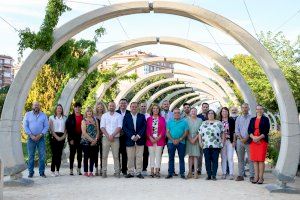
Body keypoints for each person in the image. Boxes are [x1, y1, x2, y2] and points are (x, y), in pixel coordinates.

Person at [23, 101, 49, 178]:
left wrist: (40, 135)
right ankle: (31, 172)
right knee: (31, 156)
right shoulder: (27, 115)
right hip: (31, 138)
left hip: (41, 138)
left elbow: (46, 126)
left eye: (37, 105)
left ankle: (42, 172)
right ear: (32, 106)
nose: (36, 106)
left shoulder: (43, 115)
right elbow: (25, 126)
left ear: (39, 106)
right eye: (35, 105)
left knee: (42, 156)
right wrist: (31, 135)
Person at [123, 102, 146, 179]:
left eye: (135, 107)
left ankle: (139, 172)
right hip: (130, 139)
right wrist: (132, 136)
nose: (134, 108)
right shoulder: (126, 116)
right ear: (130, 107)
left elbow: (144, 127)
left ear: (138, 108)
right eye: (132, 107)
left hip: (140, 139)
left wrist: (138, 135)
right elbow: (124, 127)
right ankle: (130, 172)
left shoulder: (142, 116)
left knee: (139, 156)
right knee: (130, 157)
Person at [199, 110, 223, 181]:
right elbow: (199, 133)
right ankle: (209, 175)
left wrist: (222, 142)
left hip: (216, 145)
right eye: (209, 113)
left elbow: (223, 133)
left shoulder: (219, 123)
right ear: (207, 115)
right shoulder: (203, 123)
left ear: (214, 114)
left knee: (215, 160)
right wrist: (200, 142)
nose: (210, 114)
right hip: (206, 145)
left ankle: (214, 175)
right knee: (207, 160)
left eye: (212, 113)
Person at [101, 101, 123, 178]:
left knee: (116, 156)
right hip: (105, 138)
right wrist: (108, 136)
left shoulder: (119, 116)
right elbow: (102, 127)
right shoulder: (104, 116)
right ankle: (104, 172)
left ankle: (117, 172)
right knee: (104, 156)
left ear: (115, 106)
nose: (111, 107)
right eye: (110, 106)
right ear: (108, 106)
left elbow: (119, 126)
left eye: (113, 106)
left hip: (115, 138)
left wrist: (112, 135)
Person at [248, 105, 270, 184]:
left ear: (262, 110)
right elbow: (249, 130)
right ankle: (256, 177)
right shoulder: (252, 119)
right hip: (253, 141)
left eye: (261, 109)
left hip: (262, 141)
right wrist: (253, 137)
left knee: (261, 160)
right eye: (258, 109)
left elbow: (266, 131)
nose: (259, 110)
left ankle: (261, 178)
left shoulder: (266, 119)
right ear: (256, 110)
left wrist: (258, 138)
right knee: (255, 160)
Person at [165, 108, 189, 179]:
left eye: (178, 113)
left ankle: (182, 173)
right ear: (173, 114)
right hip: (171, 142)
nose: (177, 114)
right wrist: (172, 140)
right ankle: (170, 173)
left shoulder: (184, 122)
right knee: (171, 158)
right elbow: (167, 132)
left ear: (180, 114)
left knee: (181, 158)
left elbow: (186, 132)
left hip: (181, 142)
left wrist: (180, 139)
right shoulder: (169, 122)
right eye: (175, 113)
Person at [235, 103, 254, 182]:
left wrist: (246, 138)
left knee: (251, 159)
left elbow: (252, 129)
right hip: (240, 141)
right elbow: (236, 130)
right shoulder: (238, 118)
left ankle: (252, 175)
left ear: (248, 108)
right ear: (241, 109)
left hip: (249, 141)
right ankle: (241, 175)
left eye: (246, 107)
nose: (244, 109)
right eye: (243, 107)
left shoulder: (252, 118)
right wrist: (241, 138)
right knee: (240, 159)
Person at [146, 104, 166, 178]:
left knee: (158, 156)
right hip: (150, 140)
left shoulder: (162, 119)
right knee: (151, 156)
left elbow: (164, 129)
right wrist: (150, 137)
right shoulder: (148, 119)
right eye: (154, 108)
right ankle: (151, 171)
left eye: (157, 108)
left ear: (159, 110)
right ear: (152, 110)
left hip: (159, 140)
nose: (155, 110)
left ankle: (157, 171)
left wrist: (159, 137)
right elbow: (147, 129)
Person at [81, 107, 100, 177]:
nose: (89, 113)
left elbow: (98, 130)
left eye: (90, 111)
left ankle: (91, 171)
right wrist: (92, 140)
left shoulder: (95, 120)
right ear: (86, 113)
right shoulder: (83, 121)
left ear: (92, 112)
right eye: (88, 111)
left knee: (92, 157)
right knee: (86, 157)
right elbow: (84, 132)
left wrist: (96, 139)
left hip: (94, 141)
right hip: (86, 141)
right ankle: (86, 171)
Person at [49, 104, 67, 177]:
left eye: (60, 108)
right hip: (54, 136)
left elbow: (66, 129)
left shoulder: (65, 118)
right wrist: (56, 137)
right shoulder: (51, 118)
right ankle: (52, 171)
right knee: (54, 154)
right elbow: (51, 129)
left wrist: (63, 136)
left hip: (62, 136)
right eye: (58, 108)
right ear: (56, 109)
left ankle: (57, 170)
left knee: (59, 154)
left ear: (62, 110)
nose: (59, 109)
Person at [66, 102, 83, 175]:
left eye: (79, 107)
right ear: (74, 108)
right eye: (76, 107)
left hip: (81, 137)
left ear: (80, 108)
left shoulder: (83, 116)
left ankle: (79, 169)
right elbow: (68, 128)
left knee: (79, 154)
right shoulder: (70, 117)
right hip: (72, 137)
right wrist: (70, 139)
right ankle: (71, 169)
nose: (77, 108)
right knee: (72, 154)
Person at [186, 108, 202, 179]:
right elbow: (185, 131)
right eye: (192, 111)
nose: (193, 112)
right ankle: (189, 172)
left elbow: (200, 131)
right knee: (190, 156)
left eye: (195, 111)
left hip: (197, 139)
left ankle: (195, 172)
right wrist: (190, 139)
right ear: (190, 112)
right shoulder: (186, 120)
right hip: (188, 139)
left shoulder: (200, 120)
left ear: (196, 112)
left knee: (196, 156)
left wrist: (195, 139)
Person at [220, 107, 236, 180]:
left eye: (226, 111)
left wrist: (234, 141)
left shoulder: (231, 120)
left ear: (228, 112)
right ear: (221, 113)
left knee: (230, 158)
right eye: (223, 111)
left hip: (230, 141)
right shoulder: (219, 121)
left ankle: (231, 173)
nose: (224, 113)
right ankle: (224, 173)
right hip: (222, 141)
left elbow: (234, 131)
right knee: (223, 158)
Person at [116, 98, 130, 176]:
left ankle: (124, 169)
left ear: (127, 104)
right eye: (121, 103)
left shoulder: (129, 113)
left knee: (125, 153)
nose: (123, 105)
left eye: (124, 103)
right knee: (117, 153)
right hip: (117, 136)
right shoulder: (116, 113)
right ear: (119, 104)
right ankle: (118, 169)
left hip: (126, 136)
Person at [196, 102, 209, 175]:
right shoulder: (198, 116)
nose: (205, 108)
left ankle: (208, 170)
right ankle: (199, 169)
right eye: (204, 107)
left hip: (208, 139)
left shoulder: (211, 115)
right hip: (200, 138)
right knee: (199, 155)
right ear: (202, 108)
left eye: (206, 107)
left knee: (208, 155)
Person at [94, 102, 106, 176]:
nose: (100, 108)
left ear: (103, 108)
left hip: (104, 136)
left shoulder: (105, 115)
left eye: (101, 107)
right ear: (96, 108)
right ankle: (96, 168)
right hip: (96, 136)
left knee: (103, 153)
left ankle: (102, 168)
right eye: (98, 107)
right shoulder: (94, 116)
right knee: (95, 153)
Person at [140, 102, 150, 176]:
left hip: (147, 137)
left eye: (144, 106)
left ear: (146, 107)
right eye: (142, 106)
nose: (143, 107)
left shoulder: (149, 116)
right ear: (140, 107)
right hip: (139, 137)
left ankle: (144, 168)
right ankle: (138, 168)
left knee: (146, 153)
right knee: (138, 153)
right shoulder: (138, 115)